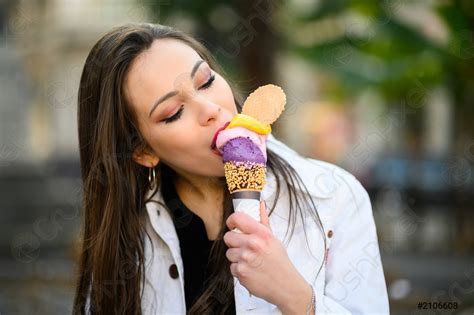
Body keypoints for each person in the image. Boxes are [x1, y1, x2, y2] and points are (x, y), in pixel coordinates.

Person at [73, 22, 390, 314]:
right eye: (173, 112)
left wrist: (296, 296)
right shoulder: (128, 230)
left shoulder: (333, 196)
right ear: (142, 151)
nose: (211, 109)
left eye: (206, 81)